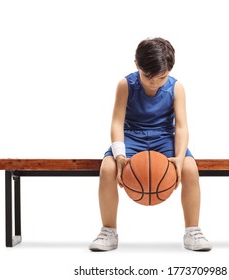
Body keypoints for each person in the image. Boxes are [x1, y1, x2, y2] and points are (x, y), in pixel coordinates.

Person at [89, 37, 212, 251]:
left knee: (191, 168)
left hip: (164, 136)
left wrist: (180, 157)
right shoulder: (125, 85)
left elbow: (181, 127)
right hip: (132, 135)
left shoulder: (176, 88)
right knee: (107, 168)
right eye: (148, 77)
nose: (154, 82)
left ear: (169, 70)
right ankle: (108, 231)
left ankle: (193, 231)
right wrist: (119, 155)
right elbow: (117, 122)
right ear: (137, 64)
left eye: (161, 77)